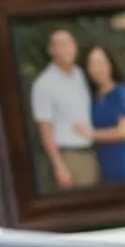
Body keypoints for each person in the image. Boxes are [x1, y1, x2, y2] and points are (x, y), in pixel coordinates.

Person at [30, 27, 100, 192]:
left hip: (91, 155)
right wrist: (59, 166)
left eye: (69, 43)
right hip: (68, 158)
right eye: (60, 44)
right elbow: (45, 128)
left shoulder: (80, 74)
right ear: (51, 50)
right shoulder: (44, 84)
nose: (66, 48)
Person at [85, 45, 125, 184]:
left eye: (101, 63)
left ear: (110, 64)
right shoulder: (93, 99)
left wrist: (91, 135)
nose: (97, 69)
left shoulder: (121, 92)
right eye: (93, 64)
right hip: (105, 168)